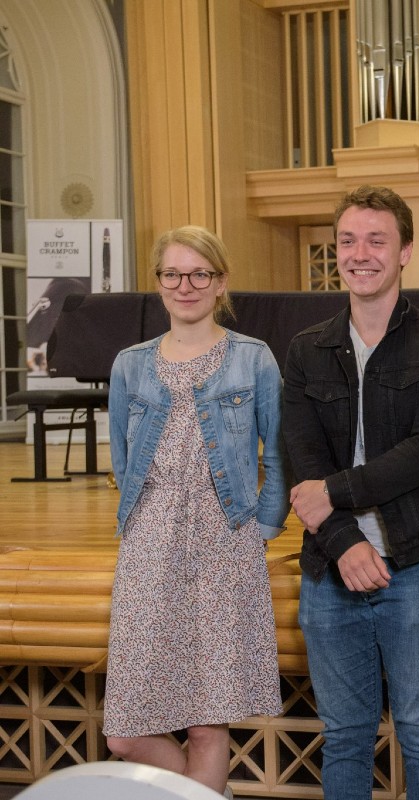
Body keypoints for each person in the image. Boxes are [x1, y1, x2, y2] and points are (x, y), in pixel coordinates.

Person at [282, 185, 419, 800]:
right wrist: (341, 543)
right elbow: (301, 457)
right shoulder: (307, 349)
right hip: (329, 568)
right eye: (347, 240)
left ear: (405, 251)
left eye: (376, 240)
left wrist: (333, 493)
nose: (359, 253)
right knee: (344, 735)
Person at [104, 226, 287, 796]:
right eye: (173, 274)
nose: (186, 285)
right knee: (126, 735)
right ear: (158, 282)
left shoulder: (253, 359)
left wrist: (261, 527)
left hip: (222, 544)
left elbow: (279, 453)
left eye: (199, 274)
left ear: (220, 281)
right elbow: (120, 455)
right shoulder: (130, 364)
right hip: (149, 546)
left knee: (208, 721)